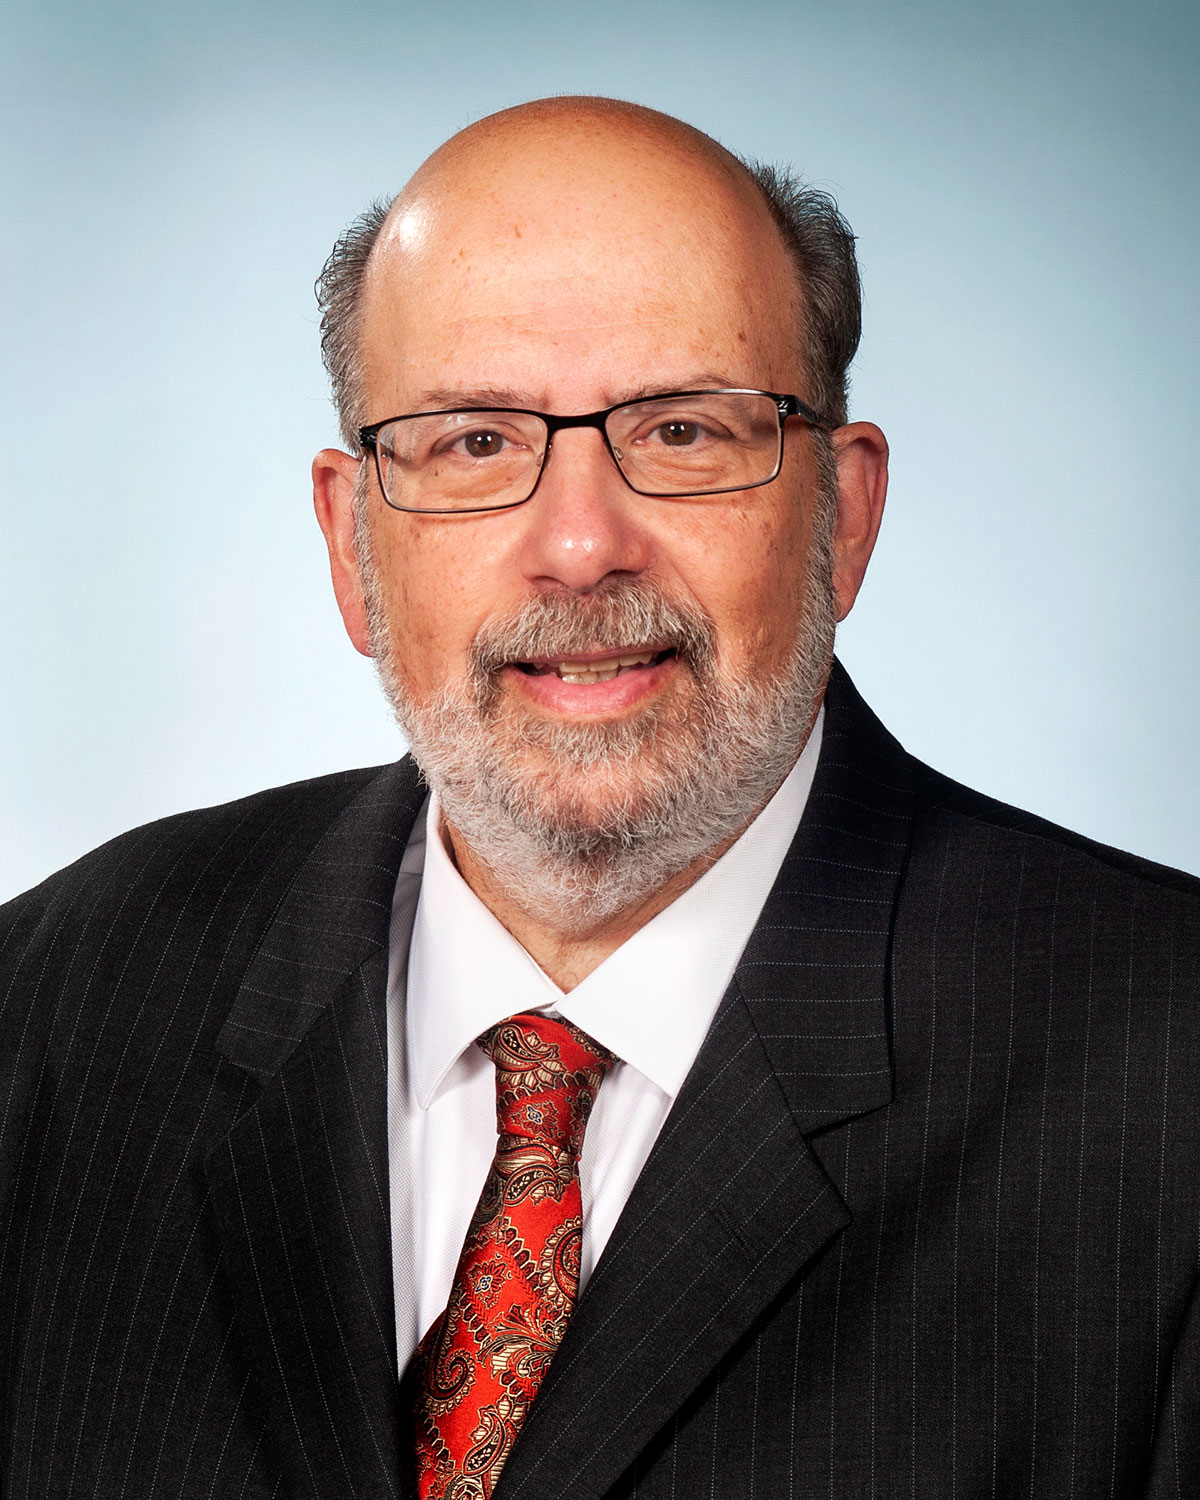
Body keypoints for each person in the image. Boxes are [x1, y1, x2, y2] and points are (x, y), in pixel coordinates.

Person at [0, 95, 1196, 1500]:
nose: (578, 547)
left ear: (846, 518)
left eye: (685, 430)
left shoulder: (1164, 1085)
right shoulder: (52, 1009)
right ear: (349, 543)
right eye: (473, 443)